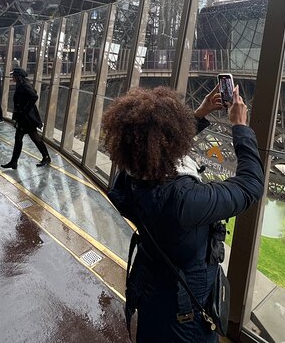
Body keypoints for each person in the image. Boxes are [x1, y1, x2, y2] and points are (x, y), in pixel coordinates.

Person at [102, 85, 265, 342]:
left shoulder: (130, 178)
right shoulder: (184, 200)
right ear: (174, 139)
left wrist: (200, 113)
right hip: (184, 312)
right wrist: (241, 128)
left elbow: (155, 145)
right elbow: (250, 187)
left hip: (151, 290)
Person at [1, 68, 50, 169]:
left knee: (34, 138)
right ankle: (14, 162)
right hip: (23, 117)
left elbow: (34, 96)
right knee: (19, 138)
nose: (12, 77)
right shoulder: (21, 84)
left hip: (27, 118)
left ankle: (46, 157)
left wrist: (26, 109)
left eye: (13, 75)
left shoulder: (24, 85)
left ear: (18, 76)